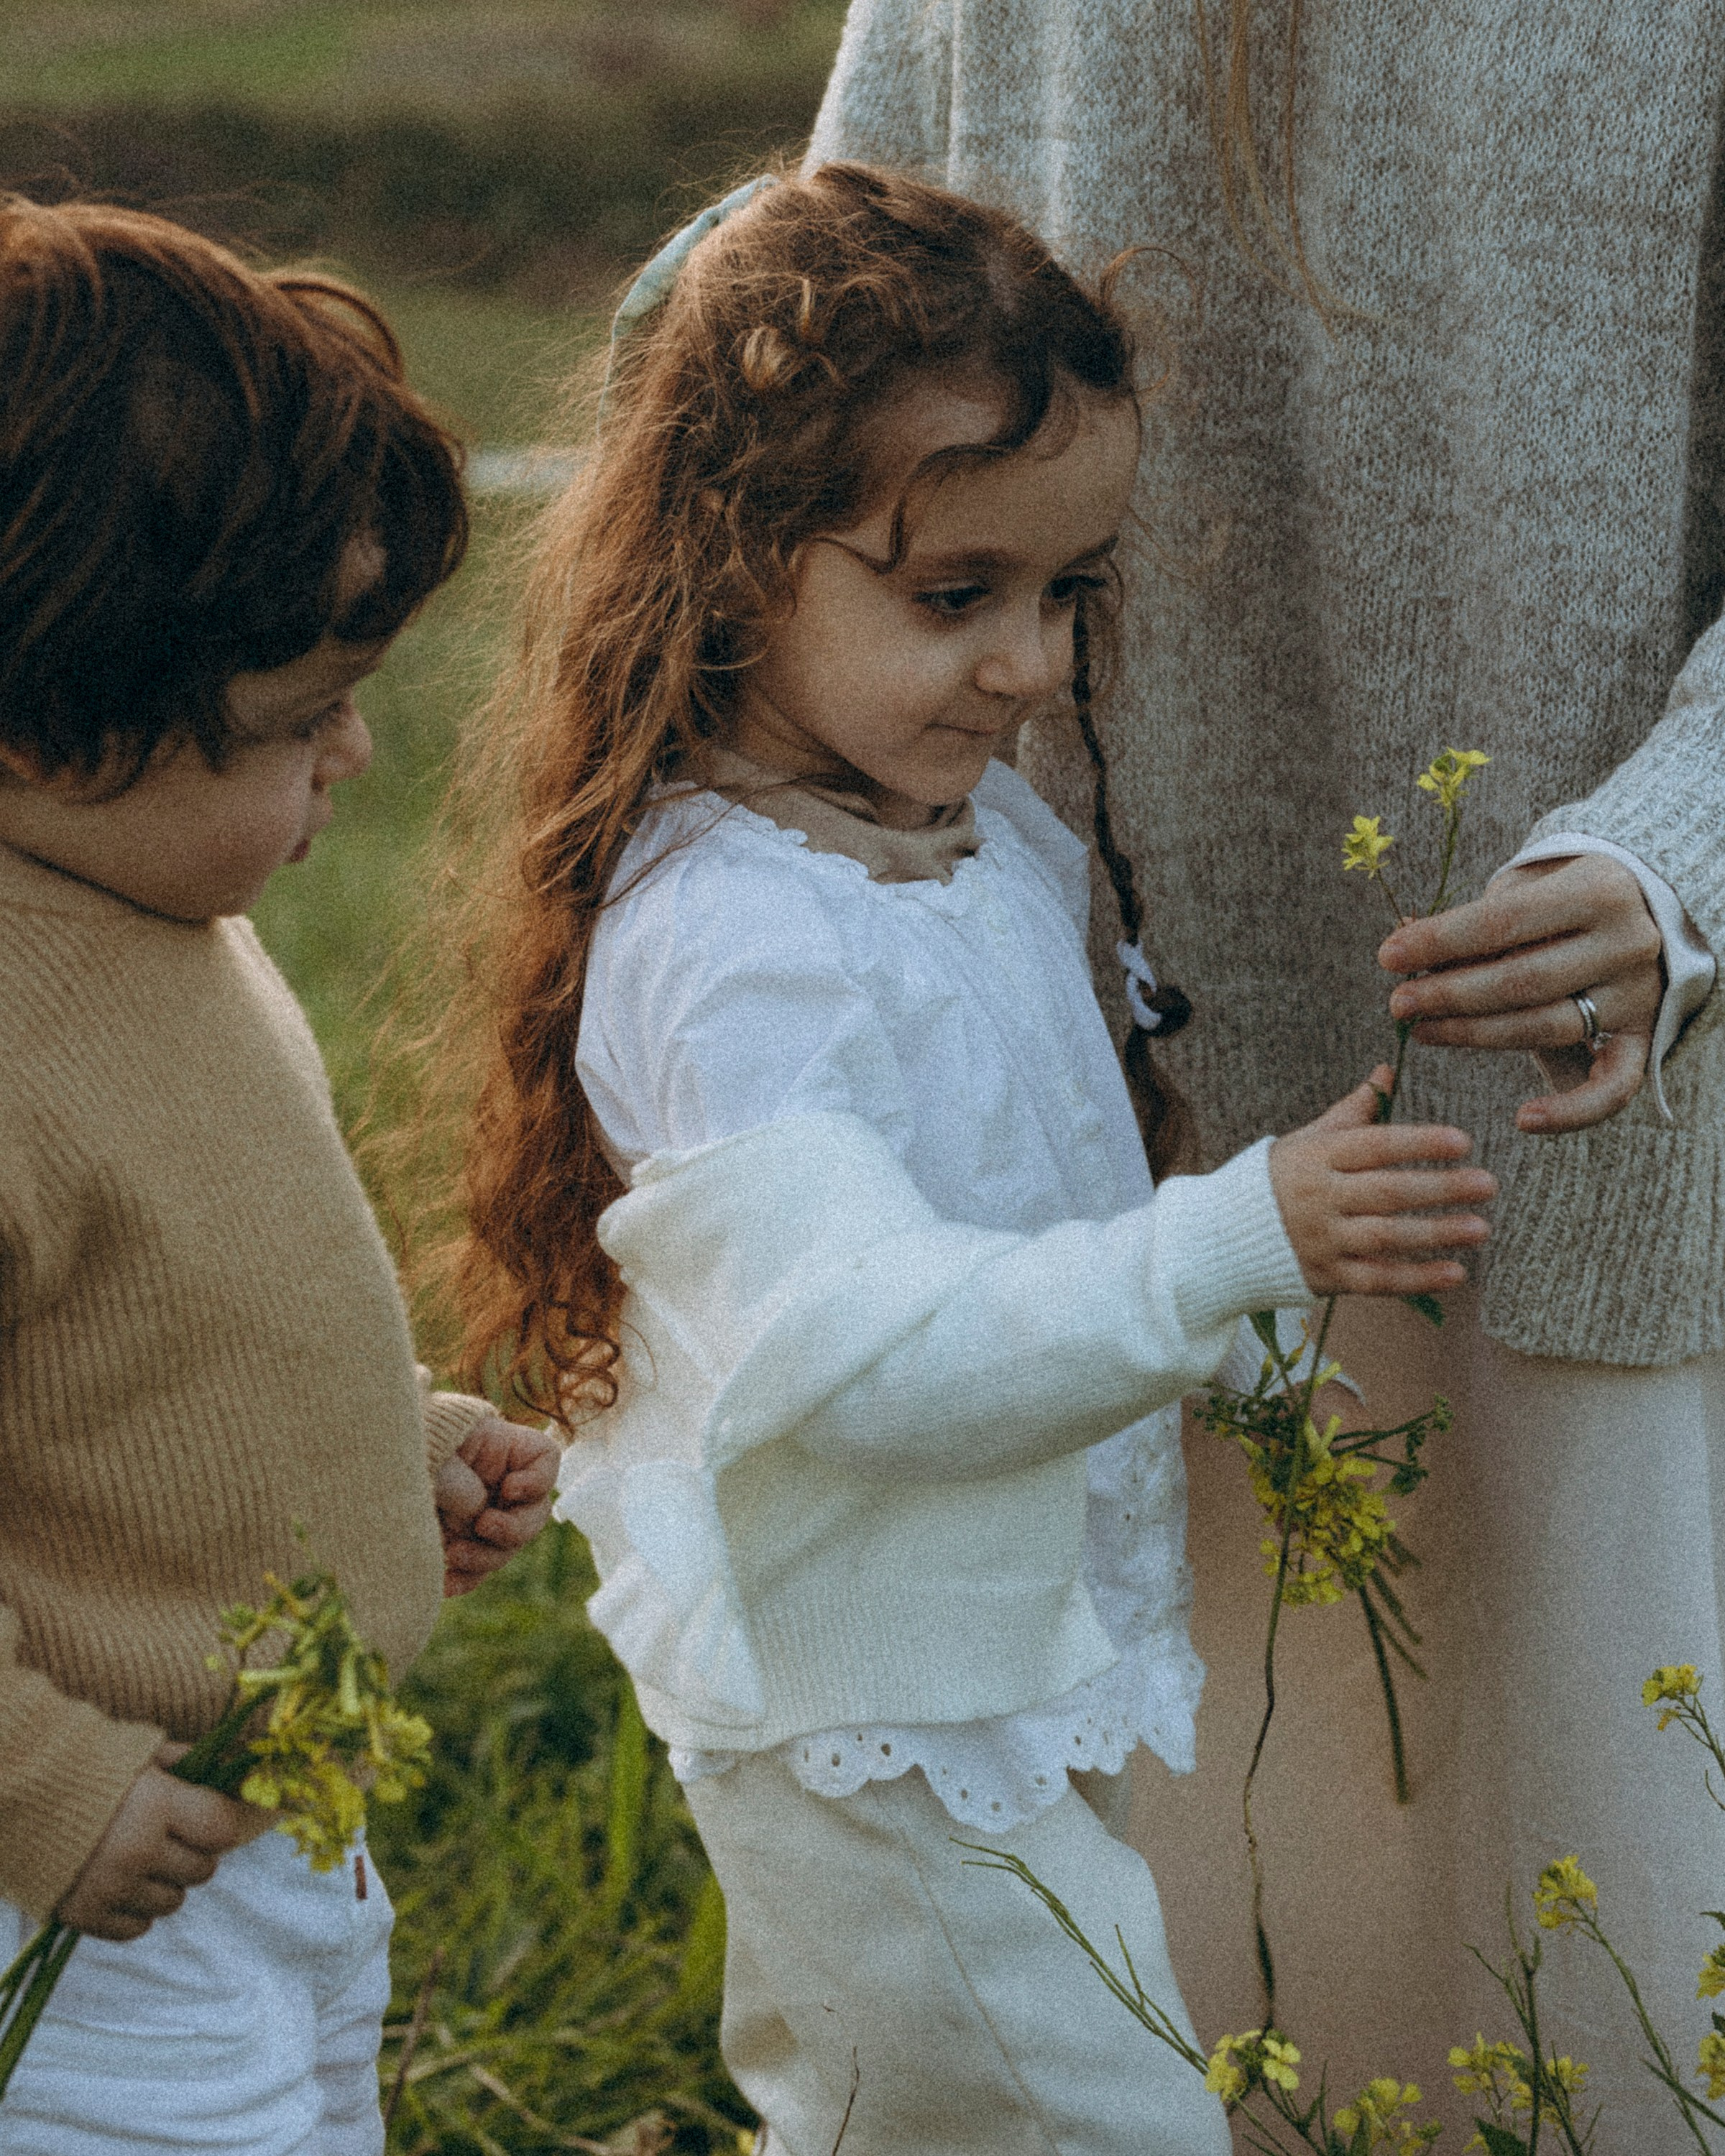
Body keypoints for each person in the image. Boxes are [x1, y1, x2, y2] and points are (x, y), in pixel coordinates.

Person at [436, 162, 1498, 2156]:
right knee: (1097, 2128)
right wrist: (1229, 1249)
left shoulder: (984, 839)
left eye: (1062, 592)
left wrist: (1252, 1343)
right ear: (735, 557)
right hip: (866, 1721)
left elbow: (1038, 1187)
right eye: (955, 598)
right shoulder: (736, 942)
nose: (1027, 666)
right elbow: (868, 1352)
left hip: (989, 1667)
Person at [805, 7, 1725, 2145]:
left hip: (1589, 1116)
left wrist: (1676, 859)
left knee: (1602, 1958)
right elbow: (805, 304)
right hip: (1086, 1116)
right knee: (1182, 1981)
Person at [0, 197, 559, 2155]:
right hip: (86, 1896)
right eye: (294, 719)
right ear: (55, 730)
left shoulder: (143, 911)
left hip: (276, 1839)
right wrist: (42, 1788)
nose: (357, 754)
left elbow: (141, 1337)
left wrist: (373, 1445)